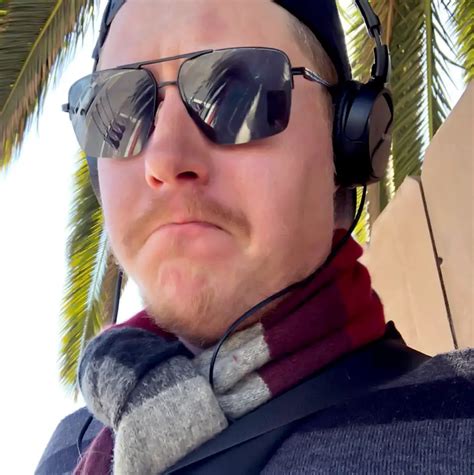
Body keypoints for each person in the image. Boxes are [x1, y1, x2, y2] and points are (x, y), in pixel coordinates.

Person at [36, 1, 473, 474]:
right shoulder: (66, 452)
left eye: (237, 96)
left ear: (347, 140)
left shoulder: (457, 423)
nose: (164, 160)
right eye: (120, 110)